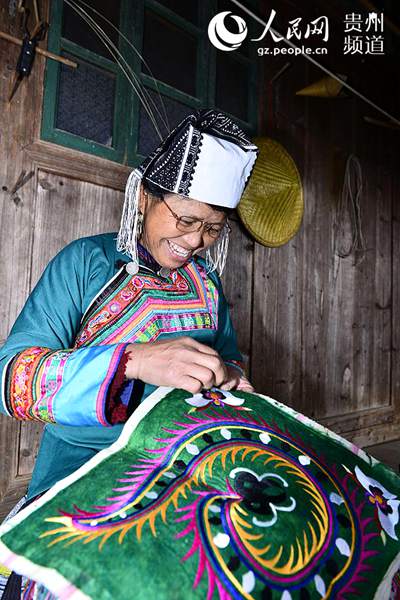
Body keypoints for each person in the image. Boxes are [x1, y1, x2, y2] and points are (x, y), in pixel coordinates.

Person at [0, 109, 258, 507]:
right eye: (186, 219)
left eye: (212, 229)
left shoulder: (206, 282)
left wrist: (229, 376)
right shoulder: (86, 262)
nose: (194, 242)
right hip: (84, 468)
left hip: (184, 464)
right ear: (143, 198)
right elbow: (12, 378)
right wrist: (133, 361)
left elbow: (229, 360)